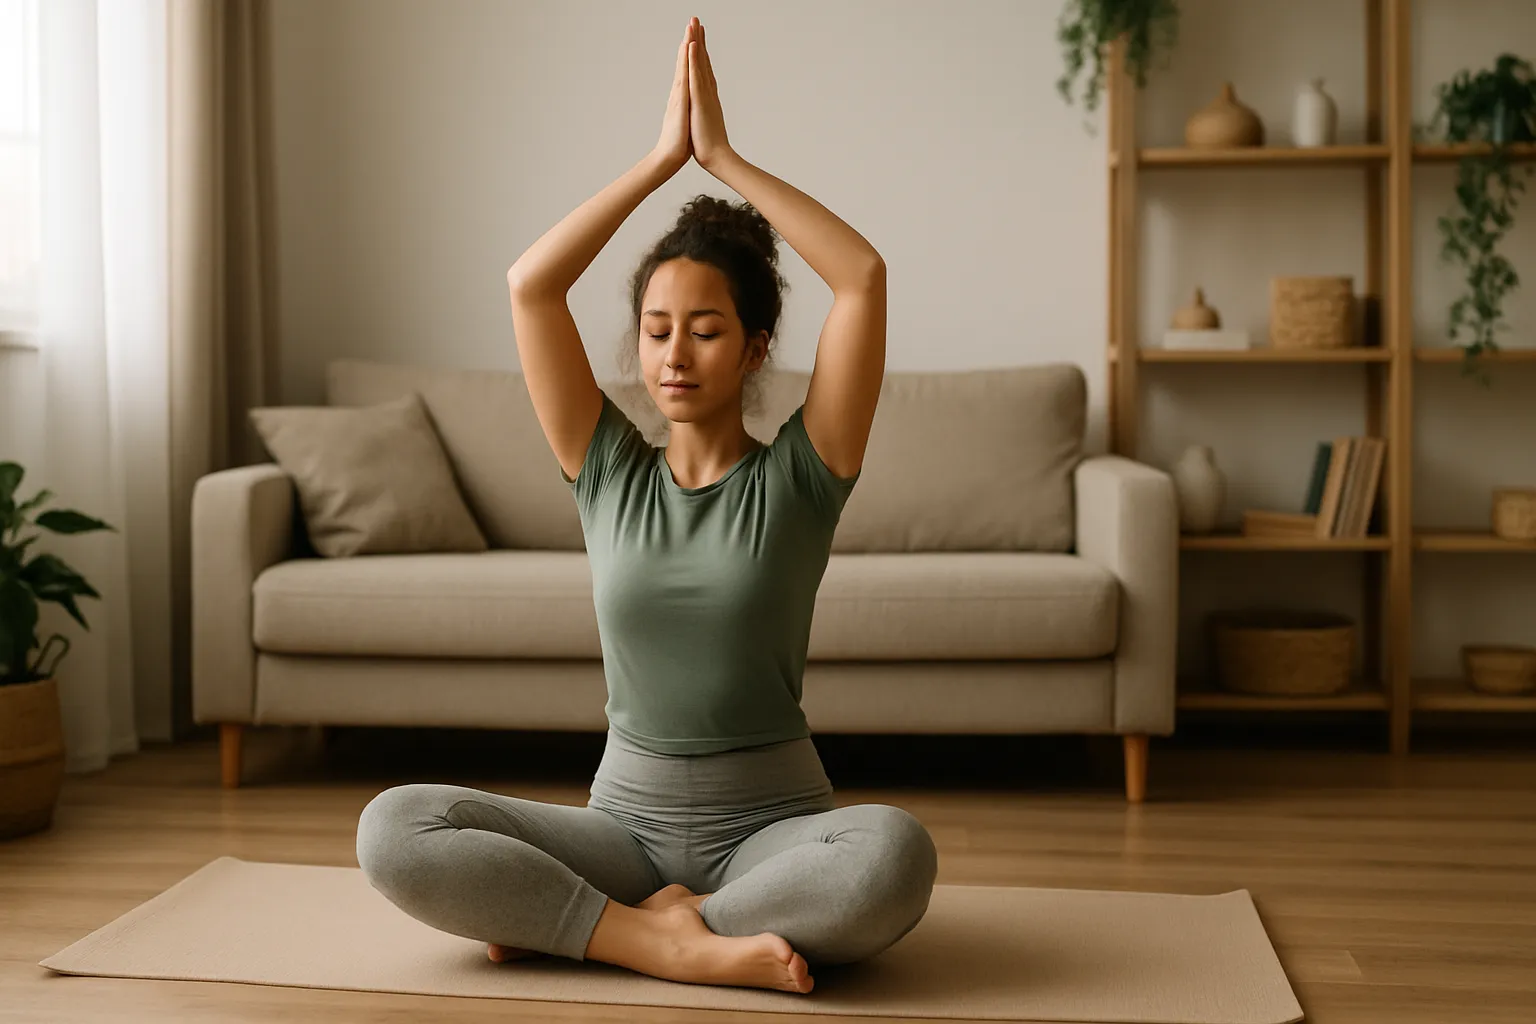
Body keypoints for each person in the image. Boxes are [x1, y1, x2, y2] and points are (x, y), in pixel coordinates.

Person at [355, 16, 936, 996]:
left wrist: (726, 160)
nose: (673, 352)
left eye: (706, 330)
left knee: (892, 856)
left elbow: (861, 277)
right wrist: (661, 161)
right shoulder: (607, 469)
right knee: (393, 827)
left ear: (754, 348)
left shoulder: (803, 473)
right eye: (657, 328)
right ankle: (656, 938)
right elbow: (531, 286)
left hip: (772, 828)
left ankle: (609, 929)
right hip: (620, 828)